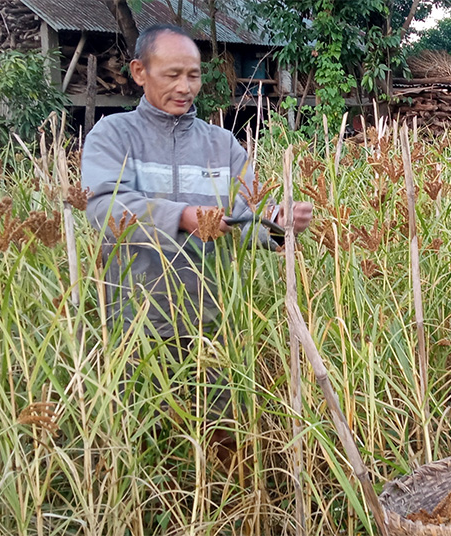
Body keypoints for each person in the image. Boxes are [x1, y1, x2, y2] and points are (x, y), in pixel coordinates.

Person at [80, 24, 313, 467]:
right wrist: (183, 217)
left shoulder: (221, 145)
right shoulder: (114, 136)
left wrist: (278, 226)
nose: (185, 87)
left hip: (214, 320)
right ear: (139, 72)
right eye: (171, 75)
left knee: (221, 442)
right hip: (136, 322)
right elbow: (104, 210)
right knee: (141, 444)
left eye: (194, 74)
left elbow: (244, 221)